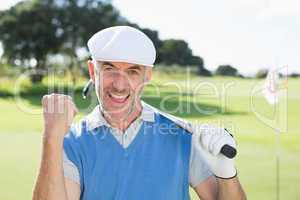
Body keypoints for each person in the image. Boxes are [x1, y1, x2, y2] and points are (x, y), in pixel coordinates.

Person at [32, 26, 246, 200]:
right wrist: (51, 136)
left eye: (132, 72)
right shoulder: (71, 143)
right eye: (109, 69)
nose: (119, 85)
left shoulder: (183, 137)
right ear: (92, 71)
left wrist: (226, 172)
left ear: (147, 75)